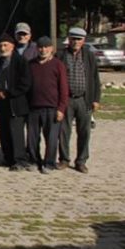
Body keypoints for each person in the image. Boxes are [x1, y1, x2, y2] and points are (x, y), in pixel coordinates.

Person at [56, 27, 101, 174]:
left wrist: (96, 99)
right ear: (68, 39)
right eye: (73, 38)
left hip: (84, 99)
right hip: (66, 99)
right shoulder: (61, 55)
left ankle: (81, 161)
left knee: (84, 132)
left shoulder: (89, 56)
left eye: (79, 39)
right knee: (63, 131)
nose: (76, 41)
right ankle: (64, 159)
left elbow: (95, 78)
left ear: (83, 41)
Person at [0, 33, 32, 171]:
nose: (2, 48)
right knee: (4, 131)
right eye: (0, 45)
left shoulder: (21, 61)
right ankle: (8, 158)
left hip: (15, 103)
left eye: (5, 45)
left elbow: (25, 84)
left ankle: (19, 160)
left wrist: (7, 93)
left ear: (12, 46)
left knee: (16, 133)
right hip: (1, 103)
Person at [28, 36, 68, 174]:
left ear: (51, 49)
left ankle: (49, 163)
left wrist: (61, 108)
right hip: (33, 108)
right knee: (32, 138)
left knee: (51, 139)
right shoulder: (31, 64)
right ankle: (34, 160)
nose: (43, 50)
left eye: (46, 47)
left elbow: (63, 89)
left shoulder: (58, 65)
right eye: (40, 47)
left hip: (52, 108)